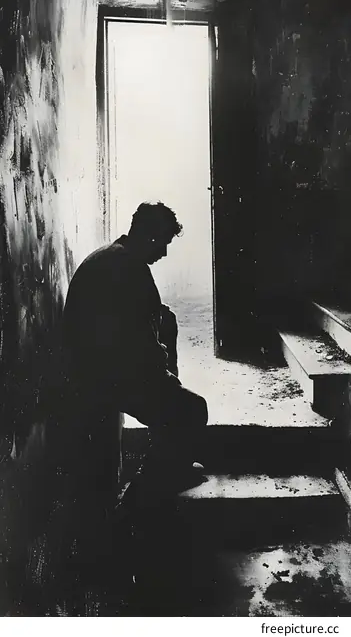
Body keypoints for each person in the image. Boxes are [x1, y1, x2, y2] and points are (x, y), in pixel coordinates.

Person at [39, 202, 209, 610]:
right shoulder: (130, 270)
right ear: (148, 235)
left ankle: (166, 461)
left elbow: (135, 331)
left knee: (168, 330)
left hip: (94, 370)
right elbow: (138, 348)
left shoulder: (109, 257)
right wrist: (165, 378)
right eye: (162, 243)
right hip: (102, 380)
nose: (163, 252)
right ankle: (135, 502)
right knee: (192, 410)